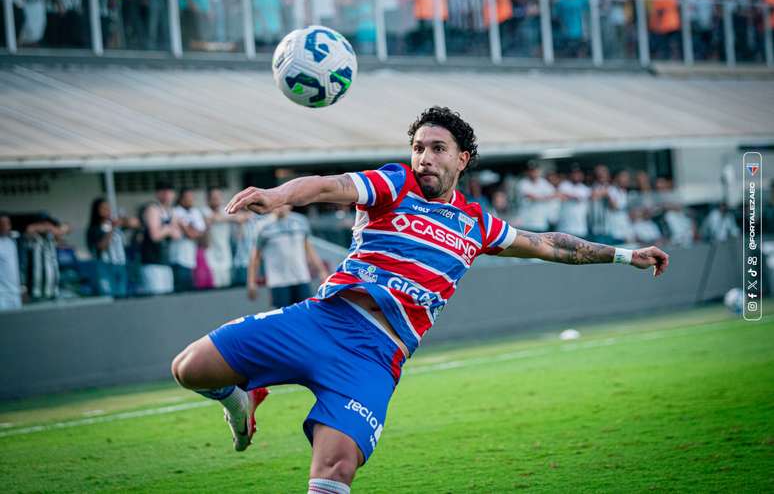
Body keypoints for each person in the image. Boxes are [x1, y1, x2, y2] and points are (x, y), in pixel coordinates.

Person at [171, 106, 669, 494]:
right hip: (322, 319)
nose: (424, 157)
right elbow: (330, 185)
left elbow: (550, 245)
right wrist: (280, 196)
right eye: (418, 147)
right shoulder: (395, 183)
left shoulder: (477, 223)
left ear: (461, 159)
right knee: (189, 368)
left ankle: (252, 398)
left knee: (334, 471)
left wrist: (626, 255)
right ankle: (240, 398)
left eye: (437, 148)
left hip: (374, 355)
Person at [247, 204, 328, 308]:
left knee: (305, 315)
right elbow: (255, 256)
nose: (280, 207)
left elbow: (309, 249)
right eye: (277, 204)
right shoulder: (262, 226)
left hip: (301, 278)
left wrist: (322, 271)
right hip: (278, 282)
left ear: (289, 204)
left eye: (283, 203)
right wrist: (251, 281)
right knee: (283, 318)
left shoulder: (301, 221)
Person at [139, 181, 180, 295]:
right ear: (158, 193)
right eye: (164, 191)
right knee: (156, 297)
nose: (167, 195)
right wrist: (167, 229)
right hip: (152, 263)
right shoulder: (153, 209)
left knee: (168, 297)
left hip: (166, 262)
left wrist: (168, 229)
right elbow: (155, 235)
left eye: (170, 191)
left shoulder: (171, 211)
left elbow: (177, 235)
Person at [86, 198, 131, 298]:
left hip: (121, 264)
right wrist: (112, 229)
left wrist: (123, 218)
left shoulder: (114, 224)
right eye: (103, 208)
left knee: (122, 294)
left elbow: (133, 224)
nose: (107, 210)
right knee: (108, 295)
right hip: (105, 265)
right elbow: (101, 246)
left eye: (108, 208)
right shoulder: (95, 228)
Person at [170, 188, 207, 292]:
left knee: (190, 291)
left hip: (191, 259)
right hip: (178, 258)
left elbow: (201, 232)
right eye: (188, 197)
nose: (191, 199)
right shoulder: (175, 211)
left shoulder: (195, 212)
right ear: (181, 199)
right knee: (180, 291)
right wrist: (190, 230)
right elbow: (192, 234)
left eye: (192, 197)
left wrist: (187, 228)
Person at [201, 188, 234, 289]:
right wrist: (229, 219)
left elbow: (241, 218)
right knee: (214, 286)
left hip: (225, 253)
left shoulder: (225, 210)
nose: (217, 200)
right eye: (214, 198)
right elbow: (209, 219)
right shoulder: (203, 211)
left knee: (227, 284)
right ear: (208, 199)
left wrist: (224, 218)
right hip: (210, 254)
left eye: (218, 197)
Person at [515, 161, 556, 233]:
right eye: (531, 171)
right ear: (527, 172)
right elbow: (530, 196)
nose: (533, 173)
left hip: (541, 222)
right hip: (526, 223)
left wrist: (543, 197)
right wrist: (544, 197)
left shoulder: (543, 182)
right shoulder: (523, 183)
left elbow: (554, 194)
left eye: (535, 170)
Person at [556, 164, 591, 237]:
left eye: (578, 173)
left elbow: (579, 197)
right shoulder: (563, 185)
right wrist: (572, 196)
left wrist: (570, 195)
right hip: (565, 227)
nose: (576, 175)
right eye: (574, 173)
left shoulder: (585, 189)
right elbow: (560, 195)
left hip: (580, 227)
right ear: (570, 175)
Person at [0, 213, 23, 311]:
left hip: (16, 294)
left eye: (8, 224)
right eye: (3, 224)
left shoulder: (12, 242)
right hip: (2, 295)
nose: (6, 227)